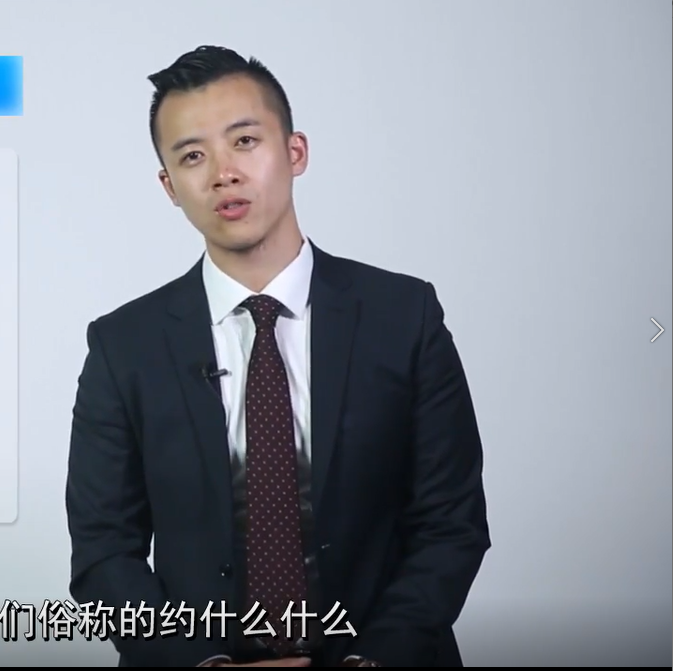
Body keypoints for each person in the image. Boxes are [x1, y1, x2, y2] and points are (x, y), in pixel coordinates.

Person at [64, 46, 491, 668]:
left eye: (244, 141)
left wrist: (370, 661)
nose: (223, 174)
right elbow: (103, 553)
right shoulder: (122, 345)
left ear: (295, 152)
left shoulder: (404, 316)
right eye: (192, 156)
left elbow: (451, 524)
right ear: (170, 187)